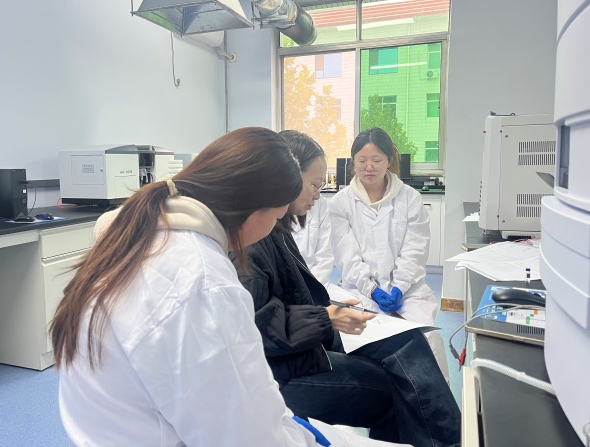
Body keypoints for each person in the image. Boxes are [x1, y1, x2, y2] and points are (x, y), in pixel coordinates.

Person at [49, 127, 338, 446]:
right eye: (277, 217)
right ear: (255, 211)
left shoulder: (144, 234)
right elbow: (244, 434)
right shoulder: (203, 282)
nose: (275, 227)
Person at [232, 130, 461, 447]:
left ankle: (449, 439)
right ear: (284, 178)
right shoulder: (253, 235)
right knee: (399, 385)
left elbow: (412, 250)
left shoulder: (273, 225)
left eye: (377, 160)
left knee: (409, 341)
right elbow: (259, 323)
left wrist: (331, 312)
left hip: (308, 332)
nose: (318, 195)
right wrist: (326, 317)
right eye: (314, 185)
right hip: (286, 362)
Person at [329, 127, 450, 381]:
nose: (369, 167)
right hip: (361, 292)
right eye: (362, 161)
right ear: (353, 162)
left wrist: (400, 286)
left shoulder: (410, 198)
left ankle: (435, 402)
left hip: (408, 292)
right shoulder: (340, 203)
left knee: (427, 340)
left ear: (388, 161)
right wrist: (372, 289)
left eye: (377, 160)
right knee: (363, 346)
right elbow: (347, 257)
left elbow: (415, 249)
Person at [286, 130, 334, 289]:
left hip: (316, 286)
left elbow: (325, 256)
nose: (317, 195)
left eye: (320, 186)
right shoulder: (263, 223)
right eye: (314, 185)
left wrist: (312, 291)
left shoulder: (319, 206)